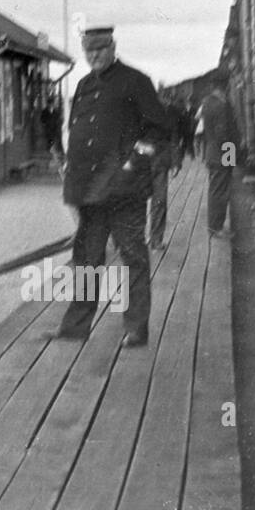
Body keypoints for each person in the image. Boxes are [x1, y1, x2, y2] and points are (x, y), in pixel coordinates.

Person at [55, 26, 172, 348]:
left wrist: (134, 162)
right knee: (87, 259)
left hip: (124, 190)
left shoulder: (136, 82)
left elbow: (160, 130)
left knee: (133, 256)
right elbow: (78, 129)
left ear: (112, 47)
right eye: (89, 51)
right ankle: (75, 327)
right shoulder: (83, 84)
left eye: (100, 50)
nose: (94, 57)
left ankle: (136, 329)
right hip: (89, 191)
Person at [199, 67, 242, 237]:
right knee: (220, 190)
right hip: (222, 153)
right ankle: (216, 228)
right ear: (225, 84)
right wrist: (233, 156)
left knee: (218, 189)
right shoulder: (220, 104)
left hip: (214, 152)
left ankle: (216, 226)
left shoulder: (208, 102)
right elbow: (223, 134)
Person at [147, 100, 184, 250]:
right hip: (139, 164)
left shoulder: (167, 112)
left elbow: (174, 138)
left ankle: (155, 239)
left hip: (159, 163)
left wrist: (176, 162)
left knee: (159, 201)